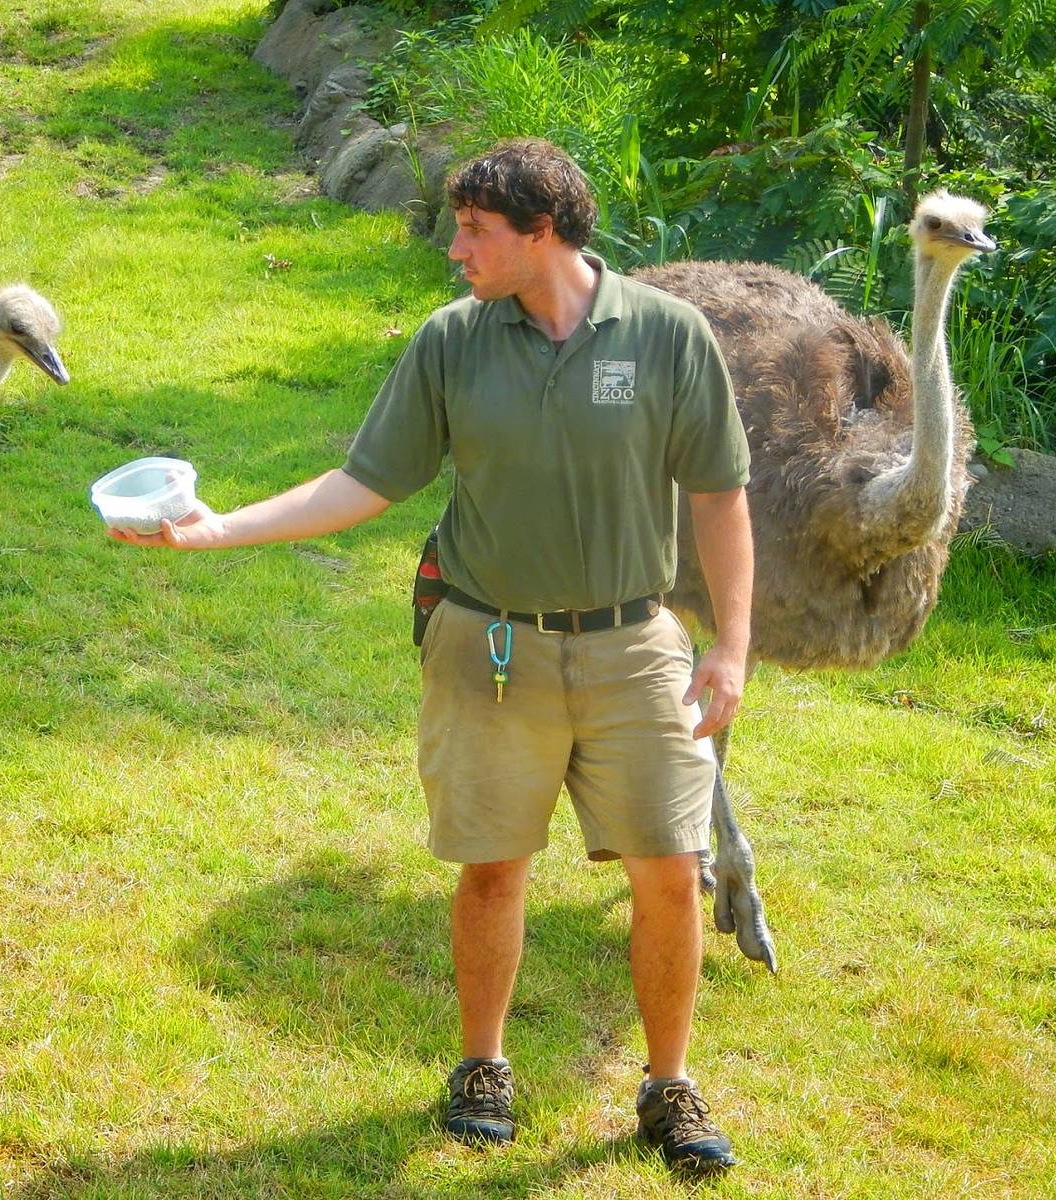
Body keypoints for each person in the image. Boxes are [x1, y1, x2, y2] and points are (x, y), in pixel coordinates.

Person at [109, 137, 753, 1174]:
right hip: (487, 642)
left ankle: (667, 1084)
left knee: (669, 871)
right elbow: (360, 485)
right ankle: (481, 1064)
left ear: (541, 235)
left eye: (475, 231)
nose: (455, 248)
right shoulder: (451, 342)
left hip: (635, 646)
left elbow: (720, 494)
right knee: (491, 868)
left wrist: (731, 644)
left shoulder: (668, 336)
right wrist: (210, 530)